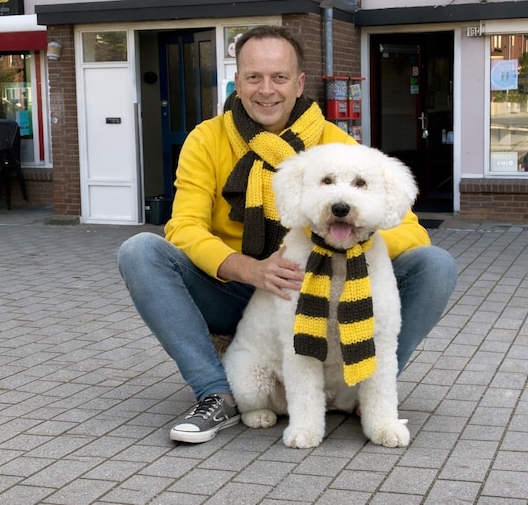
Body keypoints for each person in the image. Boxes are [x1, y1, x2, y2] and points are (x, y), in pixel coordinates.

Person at [117, 25, 457, 444]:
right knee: (140, 251)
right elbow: (182, 227)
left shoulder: (335, 145)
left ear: (298, 83)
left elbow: (409, 229)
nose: (266, 90)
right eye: (254, 77)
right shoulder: (206, 139)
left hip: (321, 284)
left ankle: (362, 391)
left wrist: (344, 243)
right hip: (235, 287)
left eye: (279, 77)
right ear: (237, 82)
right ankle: (215, 394)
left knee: (435, 265)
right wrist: (253, 270)